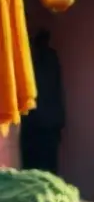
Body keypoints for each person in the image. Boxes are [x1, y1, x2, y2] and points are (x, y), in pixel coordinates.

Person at [20, 30, 65, 174]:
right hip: (50, 122)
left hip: (33, 122)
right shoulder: (52, 60)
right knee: (50, 164)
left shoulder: (33, 62)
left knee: (32, 164)